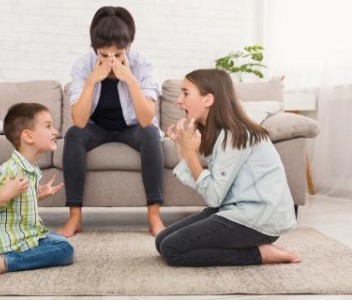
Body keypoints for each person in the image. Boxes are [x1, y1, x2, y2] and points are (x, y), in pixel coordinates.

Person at [155, 69, 301, 267]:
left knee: (172, 249)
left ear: (208, 100)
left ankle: (259, 254)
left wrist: (190, 156)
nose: (179, 100)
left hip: (256, 220)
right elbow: (213, 191)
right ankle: (249, 248)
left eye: (186, 93)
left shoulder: (235, 135)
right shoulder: (223, 134)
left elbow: (214, 196)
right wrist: (184, 153)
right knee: (161, 241)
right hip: (235, 209)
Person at [59, 6, 164, 237]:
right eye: (104, 55)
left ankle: (154, 216)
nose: (111, 61)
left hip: (133, 128)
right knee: (74, 135)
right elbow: (79, 120)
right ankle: (75, 218)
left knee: (151, 134)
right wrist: (91, 81)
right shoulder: (83, 65)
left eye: (117, 55)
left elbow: (147, 119)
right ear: (95, 50)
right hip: (97, 128)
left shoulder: (143, 65)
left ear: (127, 48)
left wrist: (130, 80)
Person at [0, 103, 74, 279]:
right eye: (48, 126)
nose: (55, 131)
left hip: (19, 233)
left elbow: (16, 203)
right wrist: (5, 195)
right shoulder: (10, 172)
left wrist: (38, 194)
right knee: (65, 250)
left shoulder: (28, 168)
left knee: (54, 237)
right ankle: (7, 261)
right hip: (11, 243)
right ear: (28, 136)